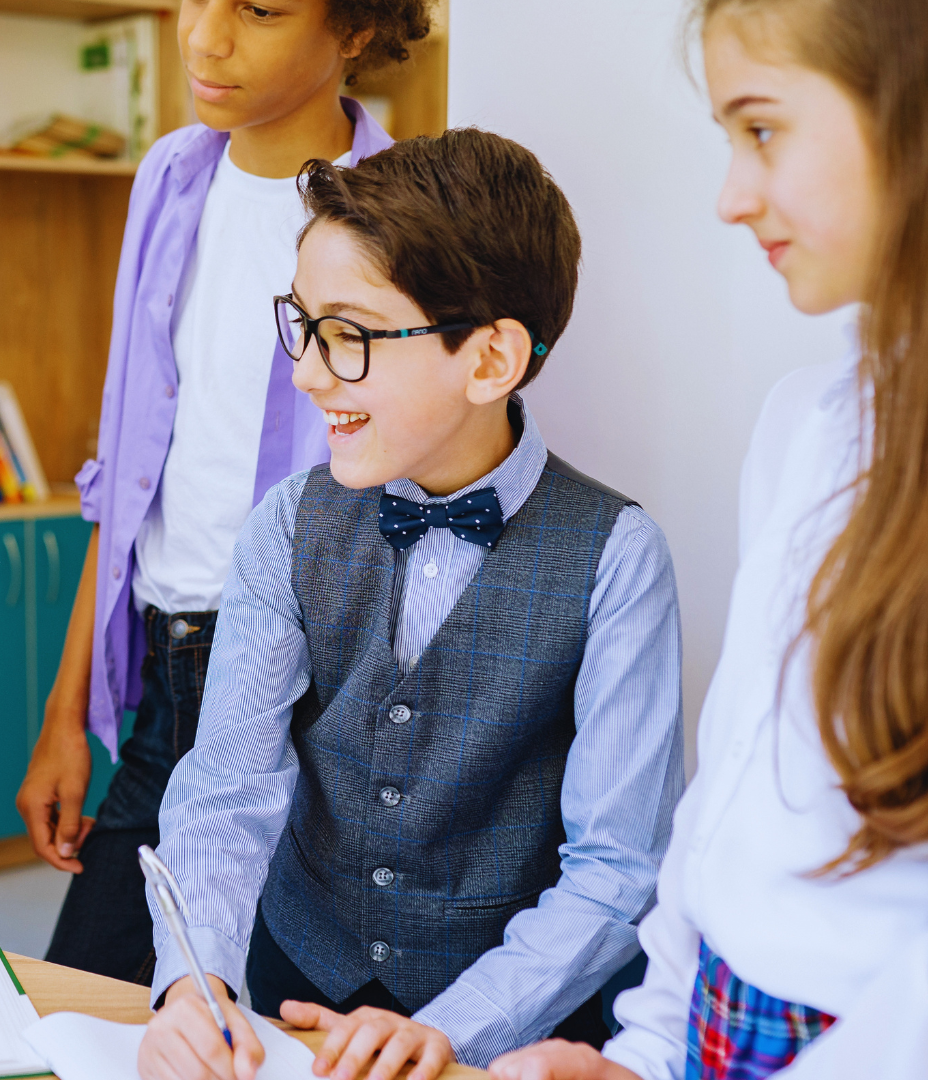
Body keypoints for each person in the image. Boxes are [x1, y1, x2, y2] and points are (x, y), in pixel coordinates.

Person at [489, 1, 928, 1078]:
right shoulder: (805, 423)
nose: (732, 197)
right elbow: (726, 802)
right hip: (715, 1030)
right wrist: (644, 1053)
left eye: (763, 130)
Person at [138, 131, 686, 1080]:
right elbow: (226, 795)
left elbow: (616, 869)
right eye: (303, 325)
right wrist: (197, 982)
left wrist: (457, 1028)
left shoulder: (618, 557)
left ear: (488, 362)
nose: (307, 372)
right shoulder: (285, 526)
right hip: (295, 993)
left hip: (514, 1038)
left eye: (348, 336)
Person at [20, 0, 434, 985]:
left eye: (257, 10)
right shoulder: (169, 178)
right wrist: (64, 714)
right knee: (83, 996)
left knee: (262, 1011)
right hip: (166, 678)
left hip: (313, 693)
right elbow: (123, 484)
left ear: (357, 27)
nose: (205, 38)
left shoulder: (403, 216)